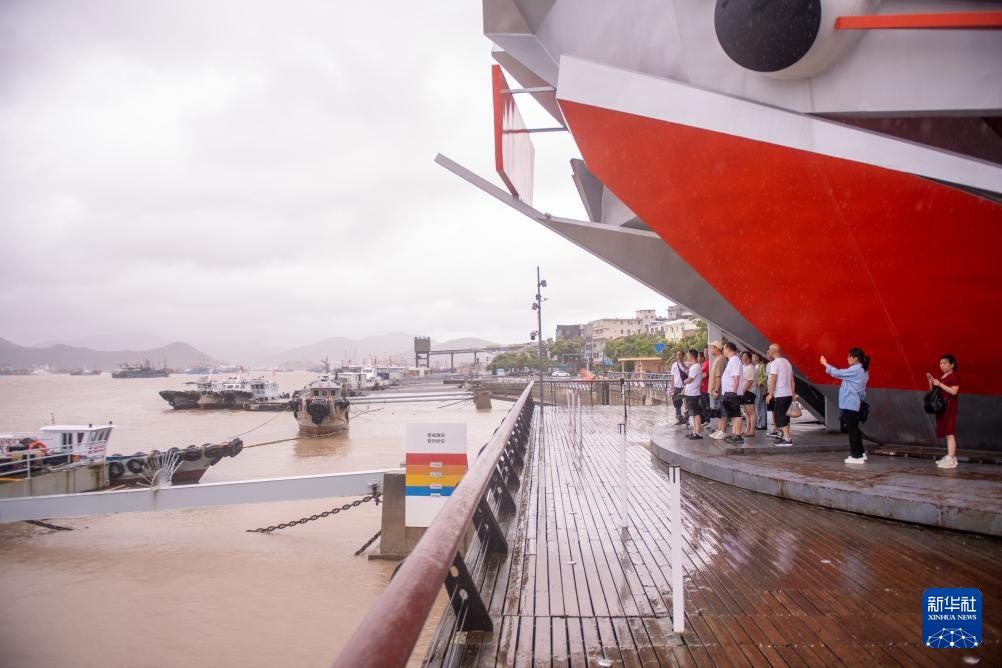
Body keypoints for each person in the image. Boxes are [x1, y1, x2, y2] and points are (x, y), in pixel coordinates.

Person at [820, 348, 871, 465]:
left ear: (855, 358)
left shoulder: (856, 370)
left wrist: (825, 364)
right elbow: (862, 390)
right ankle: (861, 452)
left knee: (852, 430)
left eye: (849, 356)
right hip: (854, 402)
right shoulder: (863, 370)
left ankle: (856, 455)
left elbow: (838, 373)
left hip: (849, 403)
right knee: (855, 429)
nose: (847, 359)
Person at [928, 354, 960, 469]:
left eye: (945, 363)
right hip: (942, 407)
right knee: (947, 433)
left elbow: (954, 391)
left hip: (950, 407)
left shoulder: (954, 376)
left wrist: (940, 384)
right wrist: (932, 383)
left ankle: (952, 458)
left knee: (950, 433)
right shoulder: (943, 376)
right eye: (941, 363)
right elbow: (935, 391)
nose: (942, 365)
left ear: (952, 365)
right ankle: (949, 456)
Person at [766, 343, 796, 446]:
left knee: (781, 416)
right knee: (786, 417)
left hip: (780, 394)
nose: (768, 353)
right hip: (787, 394)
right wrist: (793, 393)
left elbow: (773, 379)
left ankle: (787, 439)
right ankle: (784, 436)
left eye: (769, 351)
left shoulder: (775, 363)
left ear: (773, 351)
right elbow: (792, 380)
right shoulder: (787, 362)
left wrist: (770, 394)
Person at [720, 342, 744, 444]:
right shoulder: (732, 360)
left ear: (728, 349)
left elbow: (736, 377)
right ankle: (734, 433)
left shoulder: (734, 360)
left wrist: (733, 391)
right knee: (733, 415)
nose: (723, 351)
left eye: (724, 349)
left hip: (732, 392)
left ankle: (738, 435)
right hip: (729, 392)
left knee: (736, 414)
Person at [707, 340, 727, 439]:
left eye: (712, 347)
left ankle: (723, 430)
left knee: (722, 410)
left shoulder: (720, 360)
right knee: (719, 411)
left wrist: (716, 390)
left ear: (716, 348)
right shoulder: (719, 359)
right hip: (717, 390)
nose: (710, 349)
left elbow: (719, 376)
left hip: (719, 390)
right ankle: (720, 430)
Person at [681, 348, 703, 439]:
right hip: (691, 393)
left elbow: (690, 379)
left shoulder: (695, 367)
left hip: (693, 393)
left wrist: (685, 381)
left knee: (696, 413)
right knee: (693, 413)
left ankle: (698, 432)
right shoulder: (694, 366)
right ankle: (694, 431)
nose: (687, 357)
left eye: (687, 355)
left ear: (691, 355)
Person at [740, 351, 757, 438]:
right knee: (746, 412)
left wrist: (742, 392)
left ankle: (752, 430)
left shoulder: (750, 367)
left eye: (745, 357)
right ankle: (748, 429)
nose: (743, 358)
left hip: (749, 391)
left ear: (749, 359)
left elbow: (749, 381)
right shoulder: (743, 367)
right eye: (742, 357)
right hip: (743, 391)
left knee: (751, 412)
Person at [669, 351, 688, 426]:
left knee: (687, 404)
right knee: (677, 403)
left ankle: (686, 418)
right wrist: (671, 387)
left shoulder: (686, 364)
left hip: (685, 387)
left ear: (683, 356)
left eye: (680, 355)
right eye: (677, 355)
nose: (678, 356)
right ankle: (679, 418)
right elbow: (673, 377)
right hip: (676, 387)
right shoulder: (674, 365)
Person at [752, 352, 768, 430]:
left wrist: (760, 382)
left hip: (761, 387)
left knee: (760, 405)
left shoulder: (762, 366)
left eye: (755, 357)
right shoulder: (754, 366)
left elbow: (766, 376)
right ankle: (759, 423)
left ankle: (762, 424)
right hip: (755, 388)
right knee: (757, 406)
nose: (754, 359)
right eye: (753, 357)